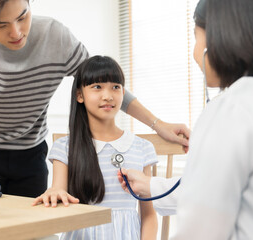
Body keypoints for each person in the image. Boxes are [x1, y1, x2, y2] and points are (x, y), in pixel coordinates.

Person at [0, 0, 190, 198]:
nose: (16, 32)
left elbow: (101, 84)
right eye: (1, 25)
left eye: (22, 16)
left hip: (31, 154)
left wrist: (158, 124)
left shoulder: (55, 36)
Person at [118, 0, 253, 239]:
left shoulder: (231, 111)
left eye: (196, 38)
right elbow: (221, 189)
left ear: (220, 39)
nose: (194, 53)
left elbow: (201, 228)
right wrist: (151, 186)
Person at [32, 56, 158, 239]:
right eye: (97, 87)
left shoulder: (142, 148)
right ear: (79, 95)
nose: (108, 95)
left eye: (115, 87)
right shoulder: (65, 147)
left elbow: (149, 215)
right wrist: (54, 192)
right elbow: (58, 190)